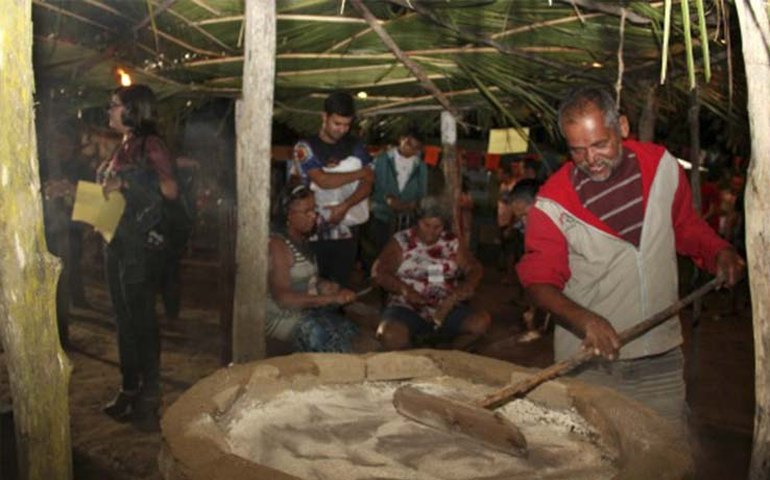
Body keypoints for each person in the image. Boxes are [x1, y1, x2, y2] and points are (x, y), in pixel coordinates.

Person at [516, 86, 745, 431]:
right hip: (590, 364)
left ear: (622, 127)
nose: (591, 159)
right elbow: (538, 282)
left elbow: (684, 226)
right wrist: (585, 320)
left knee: (665, 455)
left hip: (661, 356)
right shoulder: (553, 202)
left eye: (600, 144)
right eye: (577, 150)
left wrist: (718, 252)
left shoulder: (662, 167)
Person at [99, 84, 178, 431]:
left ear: (133, 111)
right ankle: (129, 388)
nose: (109, 111)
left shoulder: (152, 145)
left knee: (142, 322)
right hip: (117, 241)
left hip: (143, 248)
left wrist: (128, 184)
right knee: (123, 319)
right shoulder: (125, 145)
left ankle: (150, 397)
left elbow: (170, 190)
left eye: (114, 106)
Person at [268, 184, 377, 353]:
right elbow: (283, 298)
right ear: (288, 215)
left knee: (353, 333)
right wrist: (331, 299)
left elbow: (302, 277)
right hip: (282, 318)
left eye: (314, 209)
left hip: (303, 313)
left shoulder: (301, 239)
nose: (313, 216)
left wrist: (322, 285)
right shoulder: (278, 245)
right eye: (306, 212)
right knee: (338, 344)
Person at [373, 196, 490, 350]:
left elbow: (473, 267)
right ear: (417, 221)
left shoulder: (452, 242)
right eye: (426, 225)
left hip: (446, 306)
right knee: (389, 335)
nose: (431, 232)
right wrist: (406, 290)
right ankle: (414, 357)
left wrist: (465, 287)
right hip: (407, 306)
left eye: (437, 227)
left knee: (480, 324)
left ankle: (448, 356)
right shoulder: (401, 241)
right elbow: (380, 272)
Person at [292, 92, 374, 289]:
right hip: (312, 229)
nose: (342, 129)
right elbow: (323, 180)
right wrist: (360, 172)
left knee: (339, 285)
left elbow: (369, 183)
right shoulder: (305, 147)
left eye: (347, 124)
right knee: (310, 285)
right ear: (324, 117)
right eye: (337, 123)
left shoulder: (355, 145)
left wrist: (345, 206)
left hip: (346, 228)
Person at [369, 129, 427, 256]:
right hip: (382, 215)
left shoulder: (421, 166)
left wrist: (414, 203)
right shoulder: (383, 159)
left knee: (403, 253)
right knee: (381, 252)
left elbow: (422, 191)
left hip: (406, 219)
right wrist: (389, 200)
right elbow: (378, 185)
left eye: (416, 148)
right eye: (409, 144)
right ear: (401, 139)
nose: (411, 149)